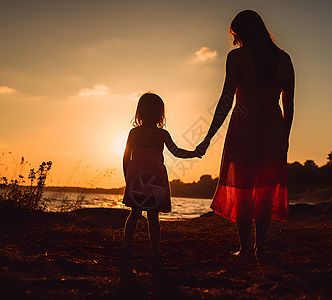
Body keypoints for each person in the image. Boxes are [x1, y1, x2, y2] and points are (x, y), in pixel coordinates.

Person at [196, 10, 295, 260]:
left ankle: (245, 249)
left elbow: (226, 100)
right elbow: (289, 105)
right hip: (273, 129)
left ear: (242, 33)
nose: (234, 40)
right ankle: (259, 248)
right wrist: (284, 138)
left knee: (243, 188)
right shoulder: (284, 59)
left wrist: (208, 137)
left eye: (236, 35)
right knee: (264, 189)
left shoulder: (237, 57)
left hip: (244, 127)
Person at [122, 92, 200, 258]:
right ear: (160, 113)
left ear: (139, 112)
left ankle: (127, 246)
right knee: (153, 217)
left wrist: (127, 178)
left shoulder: (134, 133)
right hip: (155, 180)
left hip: (136, 179)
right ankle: (154, 250)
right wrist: (194, 153)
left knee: (134, 214)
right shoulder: (162, 134)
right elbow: (177, 152)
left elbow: (125, 158)